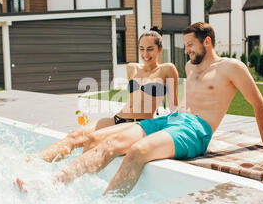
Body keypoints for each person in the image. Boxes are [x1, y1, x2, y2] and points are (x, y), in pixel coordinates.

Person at [18, 22, 263, 195]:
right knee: (111, 143)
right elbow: (180, 101)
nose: (186, 50)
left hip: (197, 130)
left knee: (138, 151)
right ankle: (51, 183)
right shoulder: (190, 66)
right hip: (173, 119)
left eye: (190, 44)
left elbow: (257, 102)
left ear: (206, 42)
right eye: (185, 45)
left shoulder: (232, 67)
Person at [32, 27, 179, 163]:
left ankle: (67, 178)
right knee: (74, 136)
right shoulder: (132, 68)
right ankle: (33, 162)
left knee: (93, 139)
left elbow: (174, 106)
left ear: (160, 49)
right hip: (118, 118)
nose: (145, 54)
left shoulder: (167, 69)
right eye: (141, 49)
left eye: (150, 49)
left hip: (138, 124)